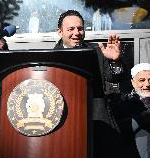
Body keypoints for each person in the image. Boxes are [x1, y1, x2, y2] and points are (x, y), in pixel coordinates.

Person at [53, 10, 140, 158]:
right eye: (71, 29)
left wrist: (115, 61)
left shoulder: (97, 52)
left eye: (80, 28)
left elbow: (114, 78)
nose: (77, 33)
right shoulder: (49, 57)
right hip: (63, 123)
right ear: (60, 32)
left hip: (97, 122)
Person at [115, 63, 150, 158]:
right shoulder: (124, 103)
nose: (147, 84)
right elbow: (116, 130)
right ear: (133, 82)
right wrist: (141, 119)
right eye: (142, 80)